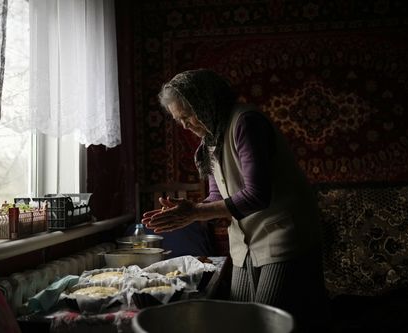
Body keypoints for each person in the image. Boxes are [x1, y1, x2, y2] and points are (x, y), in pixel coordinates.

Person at [141, 69, 330, 332]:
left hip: (282, 236)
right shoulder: (211, 138)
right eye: (178, 120)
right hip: (244, 244)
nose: (184, 125)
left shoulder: (246, 123)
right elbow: (218, 196)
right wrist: (188, 210)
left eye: (187, 116)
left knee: (266, 324)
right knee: (238, 321)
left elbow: (257, 195)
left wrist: (196, 212)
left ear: (206, 102)